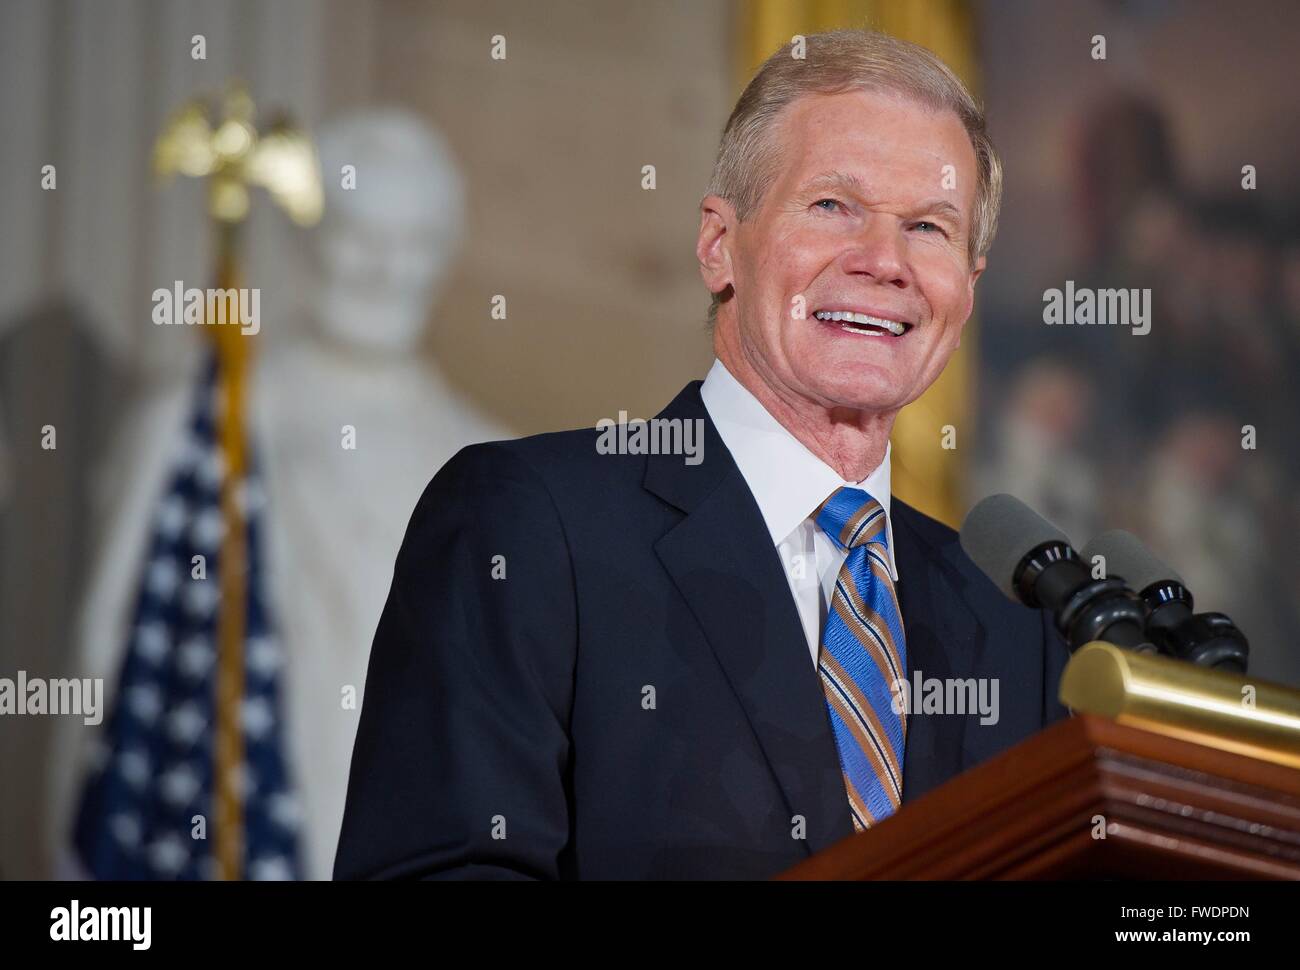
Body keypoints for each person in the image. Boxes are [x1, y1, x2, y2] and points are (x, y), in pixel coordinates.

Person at [334, 28, 1071, 881]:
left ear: (968, 287)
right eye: (834, 206)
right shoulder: (531, 525)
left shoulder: (1017, 629)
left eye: (929, 228)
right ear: (720, 245)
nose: (885, 261)